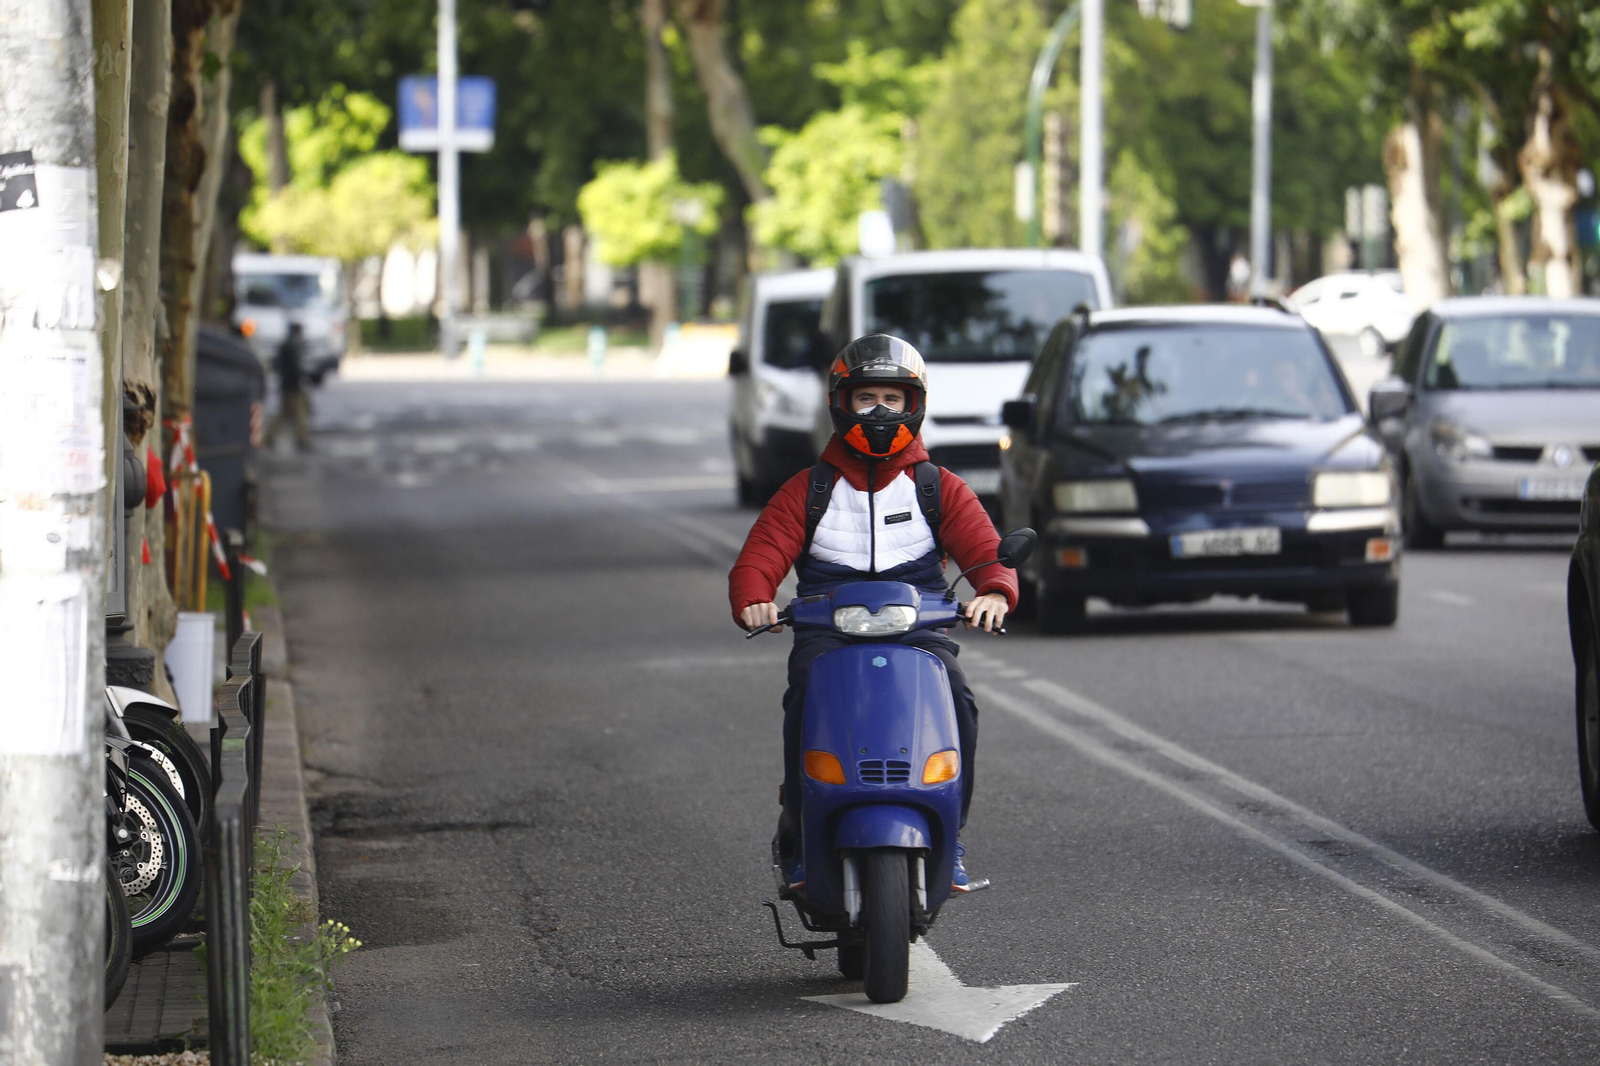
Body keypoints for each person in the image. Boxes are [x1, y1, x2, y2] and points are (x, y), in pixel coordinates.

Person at [728, 334, 1018, 893]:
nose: (880, 411)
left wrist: (996, 591)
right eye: (866, 399)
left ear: (915, 405)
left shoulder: (938, 488)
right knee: (804, 698)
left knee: (958, 699)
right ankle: (799, 828)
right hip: (826, 630)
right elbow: (759, 557)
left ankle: (950, 832)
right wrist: (754, 599)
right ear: (842, 403)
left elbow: (988, 552)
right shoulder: (808, 490)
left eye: (892, 398)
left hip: (920, 628)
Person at [268, 321, 311, 451]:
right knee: (300, 414)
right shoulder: (292, 346)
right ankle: (302, 440)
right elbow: (295, 367)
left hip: (286, 385)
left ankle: (269, 437)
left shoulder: (286, 345)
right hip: (293, 387)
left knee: (284, 414)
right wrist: (302, 377)